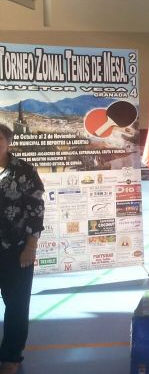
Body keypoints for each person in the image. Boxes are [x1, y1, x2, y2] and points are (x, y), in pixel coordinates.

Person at [0, 123, 44, 374]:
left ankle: (11, 356)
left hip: (16, 249)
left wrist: (30, 246)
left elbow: (36, 211)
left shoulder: (24, 171)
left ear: (8, 142)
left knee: (16, 305)